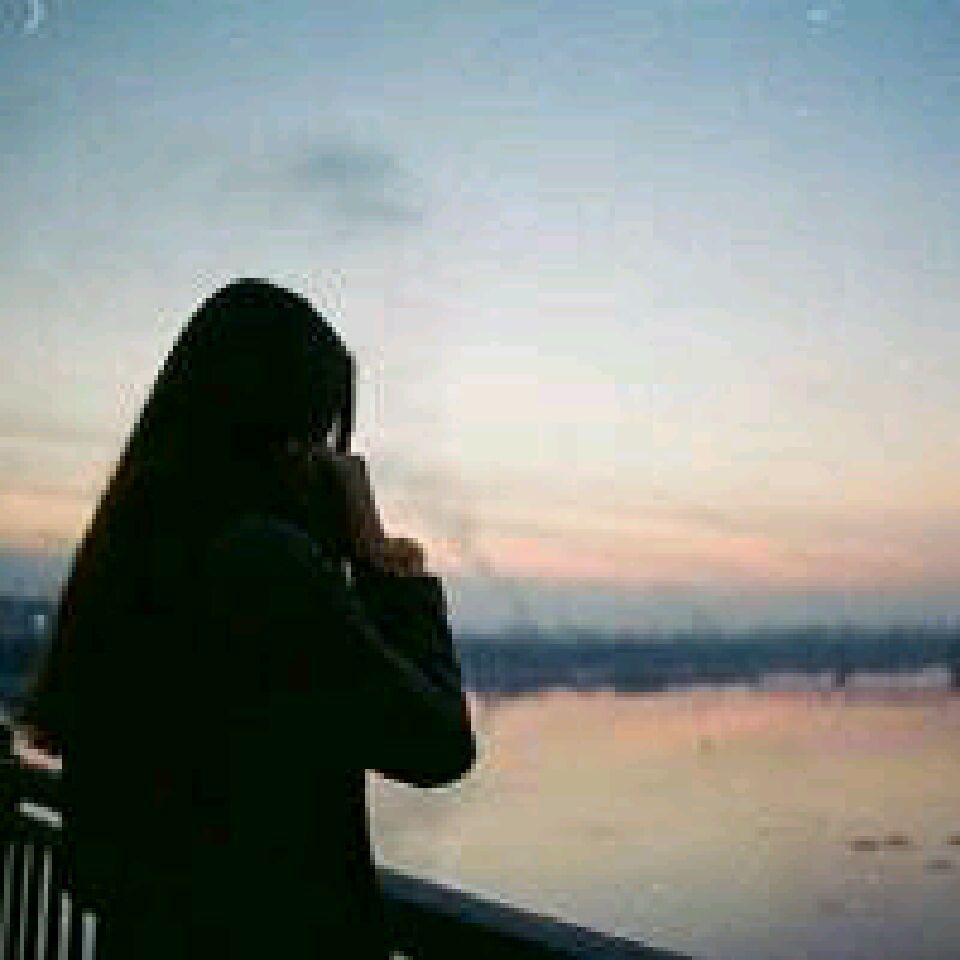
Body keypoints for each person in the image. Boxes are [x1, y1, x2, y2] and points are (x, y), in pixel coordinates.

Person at [15, 278, 477, 958]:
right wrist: (381, 560)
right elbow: (437, 745)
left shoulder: (141, 547)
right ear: (284, 432)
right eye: (317, 437)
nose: (325, 462)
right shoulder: (262, 562)